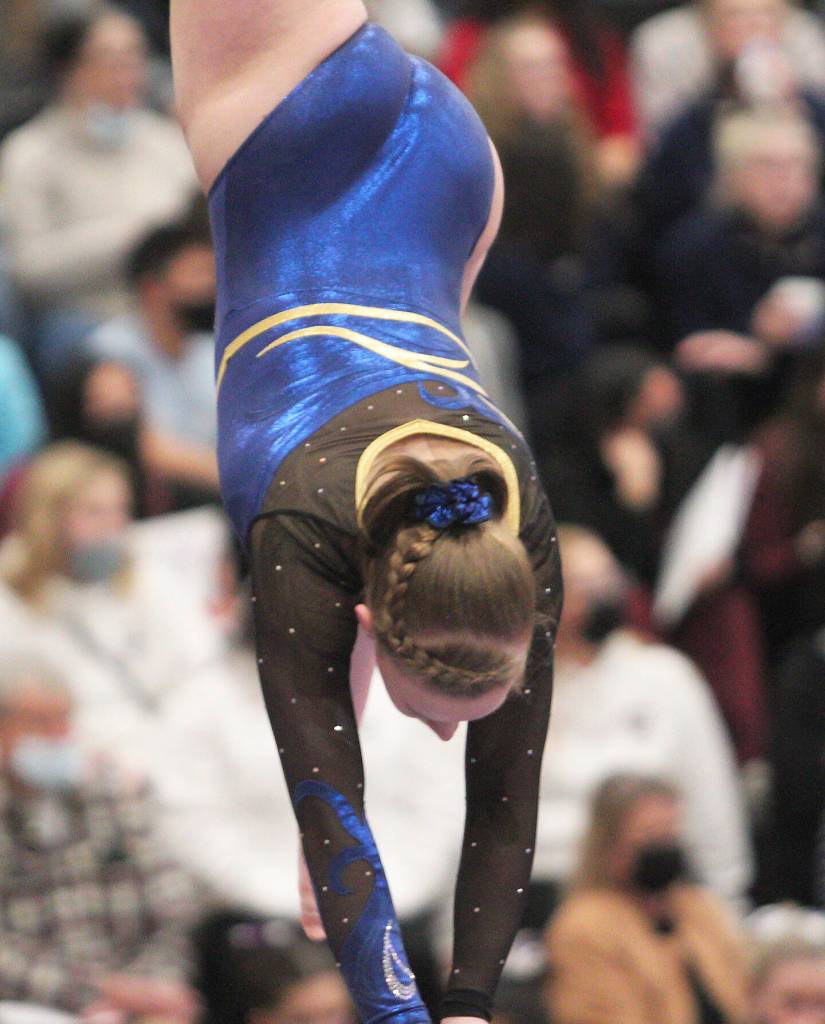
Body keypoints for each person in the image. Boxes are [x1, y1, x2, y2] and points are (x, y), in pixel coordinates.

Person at [170, 3, 562, 1023]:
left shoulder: (508, 524)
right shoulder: (296, 531)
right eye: (438, 712)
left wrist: (468, 1005)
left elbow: (491, 812)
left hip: (453, 187)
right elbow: (346, 821)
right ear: (368, 622)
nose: (439, 736)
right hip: (283, 132)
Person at [534, 525, 753, 910]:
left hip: (645, 892)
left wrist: (728, 898)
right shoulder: (520, 685)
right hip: (544, 889)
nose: (600, 596)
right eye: (583, 584)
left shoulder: (664, 676)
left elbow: (710, 795)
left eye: (607, 580)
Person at [0, 650, 200, 1018]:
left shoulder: (109, 793)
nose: (58, 736)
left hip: (135, 991)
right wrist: (89, 993)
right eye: (39, 723)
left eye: (64, 721)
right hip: (31, 1000)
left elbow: (172, 900)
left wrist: (150, 985)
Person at [0, 5, 196, 376]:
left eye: (135, 56)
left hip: (176, 306)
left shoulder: (166, 140)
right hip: (88, 314)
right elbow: (28, 270)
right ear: (69, 70)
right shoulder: (29, 153)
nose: (128, 73)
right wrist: (130, 235)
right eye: (110, 59)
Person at [545, 774, 749, 1024]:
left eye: (671, 834)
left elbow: (744, 997)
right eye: (651, 837)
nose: (665, 848)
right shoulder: (584, 926)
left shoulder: (698, 907)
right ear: (609, 845)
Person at [88, 220, 220, 509]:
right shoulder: (111, 353)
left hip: (213, 492)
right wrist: (234, 479)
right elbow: (148, 451)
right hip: (153, 502)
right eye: (197, 273)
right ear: (153, 288)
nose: (211, 286)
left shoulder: (208, 349)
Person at [630, 0, 825, 141]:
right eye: (734, 15)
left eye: (766, 13)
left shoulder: (806, 37)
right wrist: (727, 86)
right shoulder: (666, 43)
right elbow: (660, 140)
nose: (752, 25)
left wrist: (796, 96)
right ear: (707, 21)